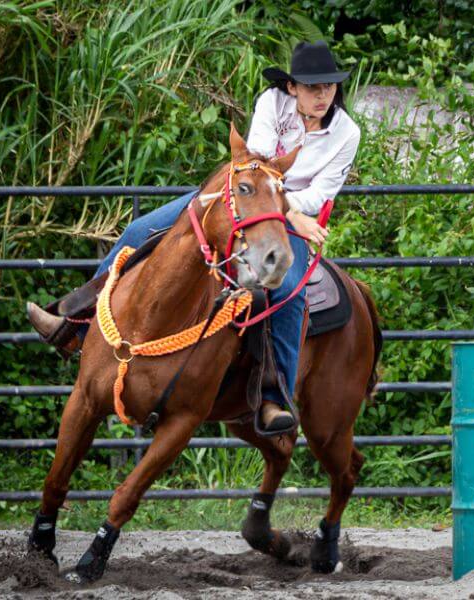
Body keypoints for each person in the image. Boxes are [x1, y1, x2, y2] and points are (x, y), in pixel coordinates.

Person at [26, 40, 361, 433]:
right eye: (311, 86)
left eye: (329, 86)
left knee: (288, 289)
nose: (322, 95)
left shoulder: (346, 133)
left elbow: (321, 193)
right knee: (139, 230)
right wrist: (284, 207)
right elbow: (253, 166)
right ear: (292, 88)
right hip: (242, 197)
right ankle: (80, 325)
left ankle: (274, 396)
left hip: (291, 219)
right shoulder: (271, 103)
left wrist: (288, 213)